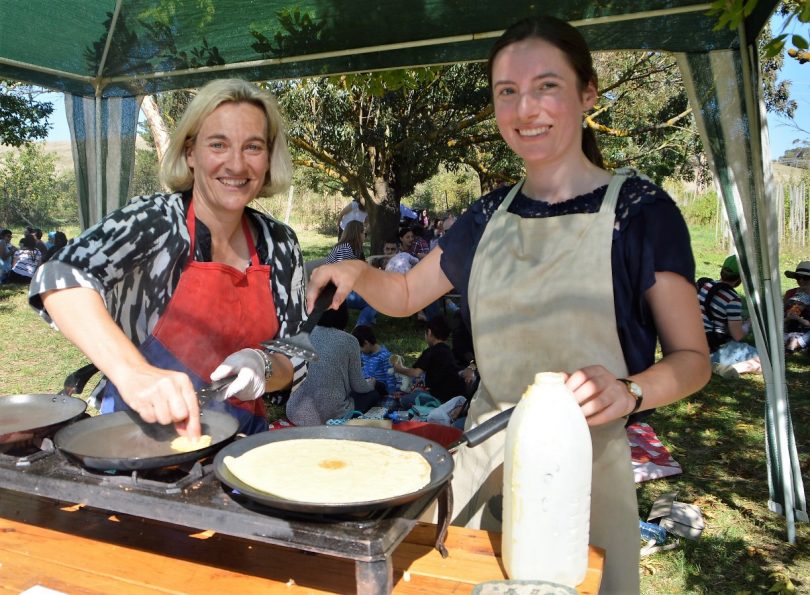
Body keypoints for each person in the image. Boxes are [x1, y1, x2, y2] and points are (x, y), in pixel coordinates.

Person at [307, 16, 710, 593]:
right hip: (484, 460)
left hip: (585, 471)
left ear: (587, 92)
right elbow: (402, 295)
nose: (526, 109)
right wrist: (357, 270)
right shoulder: (487, 214)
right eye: (507, 92)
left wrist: (633, 391)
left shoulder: (643, 211)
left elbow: (693, 358)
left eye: (547, 85)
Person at [29, 78, 308, 439]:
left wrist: (263, 364)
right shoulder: (155, 220)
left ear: (268, 158)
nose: (236, 164)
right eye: (218, 144)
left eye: (252, 147)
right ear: (191, 153)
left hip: (239, 440)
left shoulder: (280, 243)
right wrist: (132, 372)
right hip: (137, 437)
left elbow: (296, 353)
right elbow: (60, 278)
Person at [285, 302, 381, 425]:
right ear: (343, 315)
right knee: (374, 394)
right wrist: (371, 385)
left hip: (295, 413)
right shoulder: (350, 341)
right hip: (332, 417)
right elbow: (358, 386)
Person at [698, 255, 761, 378]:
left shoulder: (706, 286)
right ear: (740, 278)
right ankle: (729, 368)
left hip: (696, 342)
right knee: (766, 359)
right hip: (716, 349)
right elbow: (737, 335)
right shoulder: (732, 298)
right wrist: (748, 323)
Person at [391, 316, 466, 404]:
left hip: (439, 397)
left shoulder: (430, 351)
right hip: (456, 396)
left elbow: (415, 373)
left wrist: (398, 369)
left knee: (405, 400)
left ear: (429, 332)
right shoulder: (449, 350)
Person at [351, 324, 400, 395]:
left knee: (371, 392)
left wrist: (392, 392)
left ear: (366, 343)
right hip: (366, 383)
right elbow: (364, 368)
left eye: (360, 348)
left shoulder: (385, 356)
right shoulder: (364, 354)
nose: (359, 351)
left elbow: (390, 377)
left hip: (379, 386)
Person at [783, 260, 810, 352]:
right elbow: (782, 314)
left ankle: (795, 344)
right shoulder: (790, 293)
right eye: (798, 277)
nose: (801, 281)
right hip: (790, 328)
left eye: (805, 278)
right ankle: (795, 343)